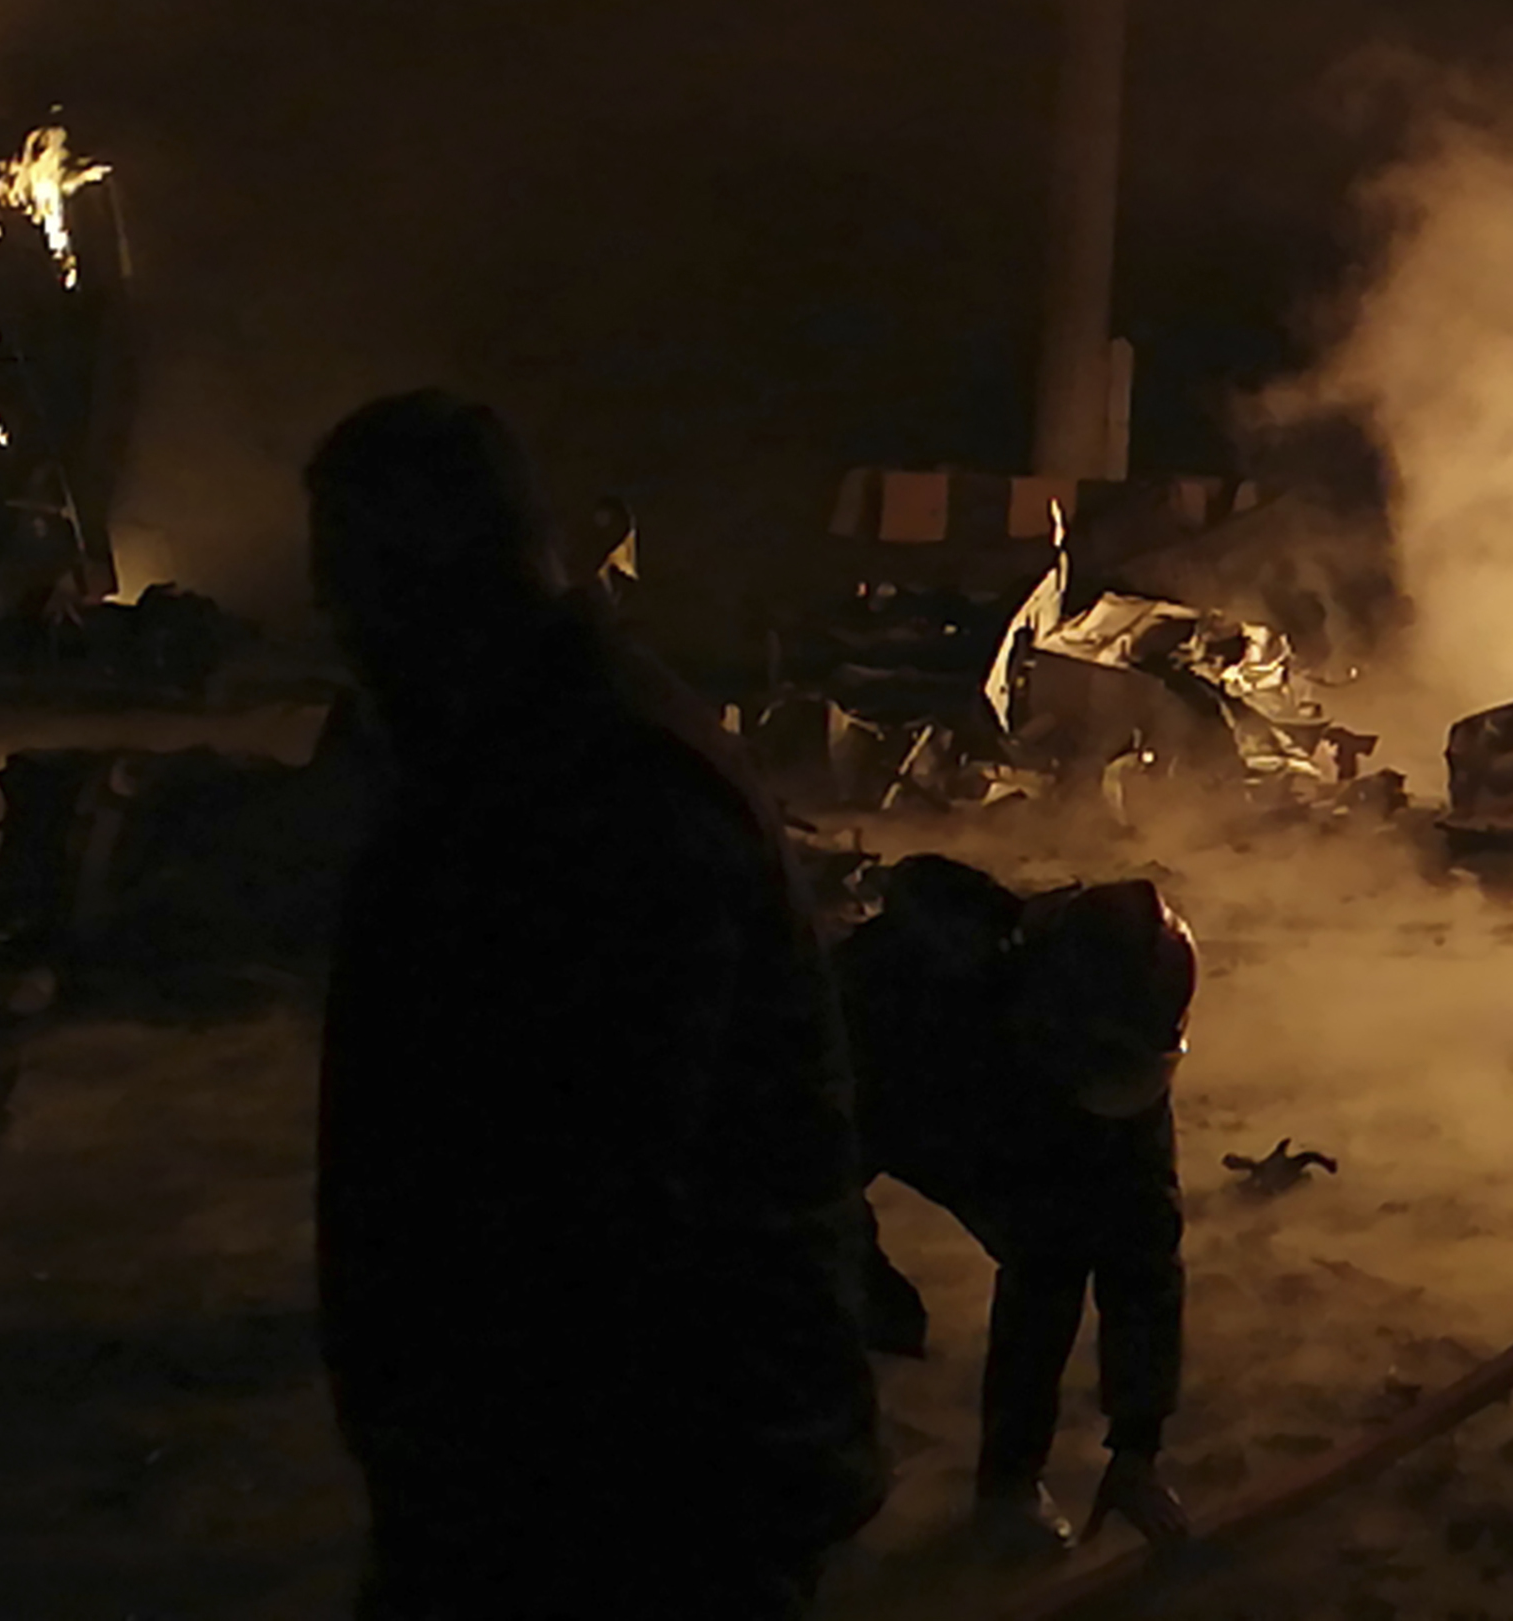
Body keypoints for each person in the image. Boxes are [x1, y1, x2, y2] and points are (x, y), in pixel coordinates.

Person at [308, 391, 883, 1620]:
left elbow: (585, 1202)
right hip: (591, 1470)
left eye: (350, 582)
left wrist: (474, 1496)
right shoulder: (520, 756)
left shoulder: (602, 786)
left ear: (431, 577)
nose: (335, 622)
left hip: (638, 1495)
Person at [838, 854, 1195, 1554]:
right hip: (879, 1109)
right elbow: (785, 1155)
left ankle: (1009, 1482)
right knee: (819, 1281)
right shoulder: (898, 991)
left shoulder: (1121, 1038)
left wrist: (1137, 1443)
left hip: (998, 1122)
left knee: (1051, 1250)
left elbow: (1145, 1246)